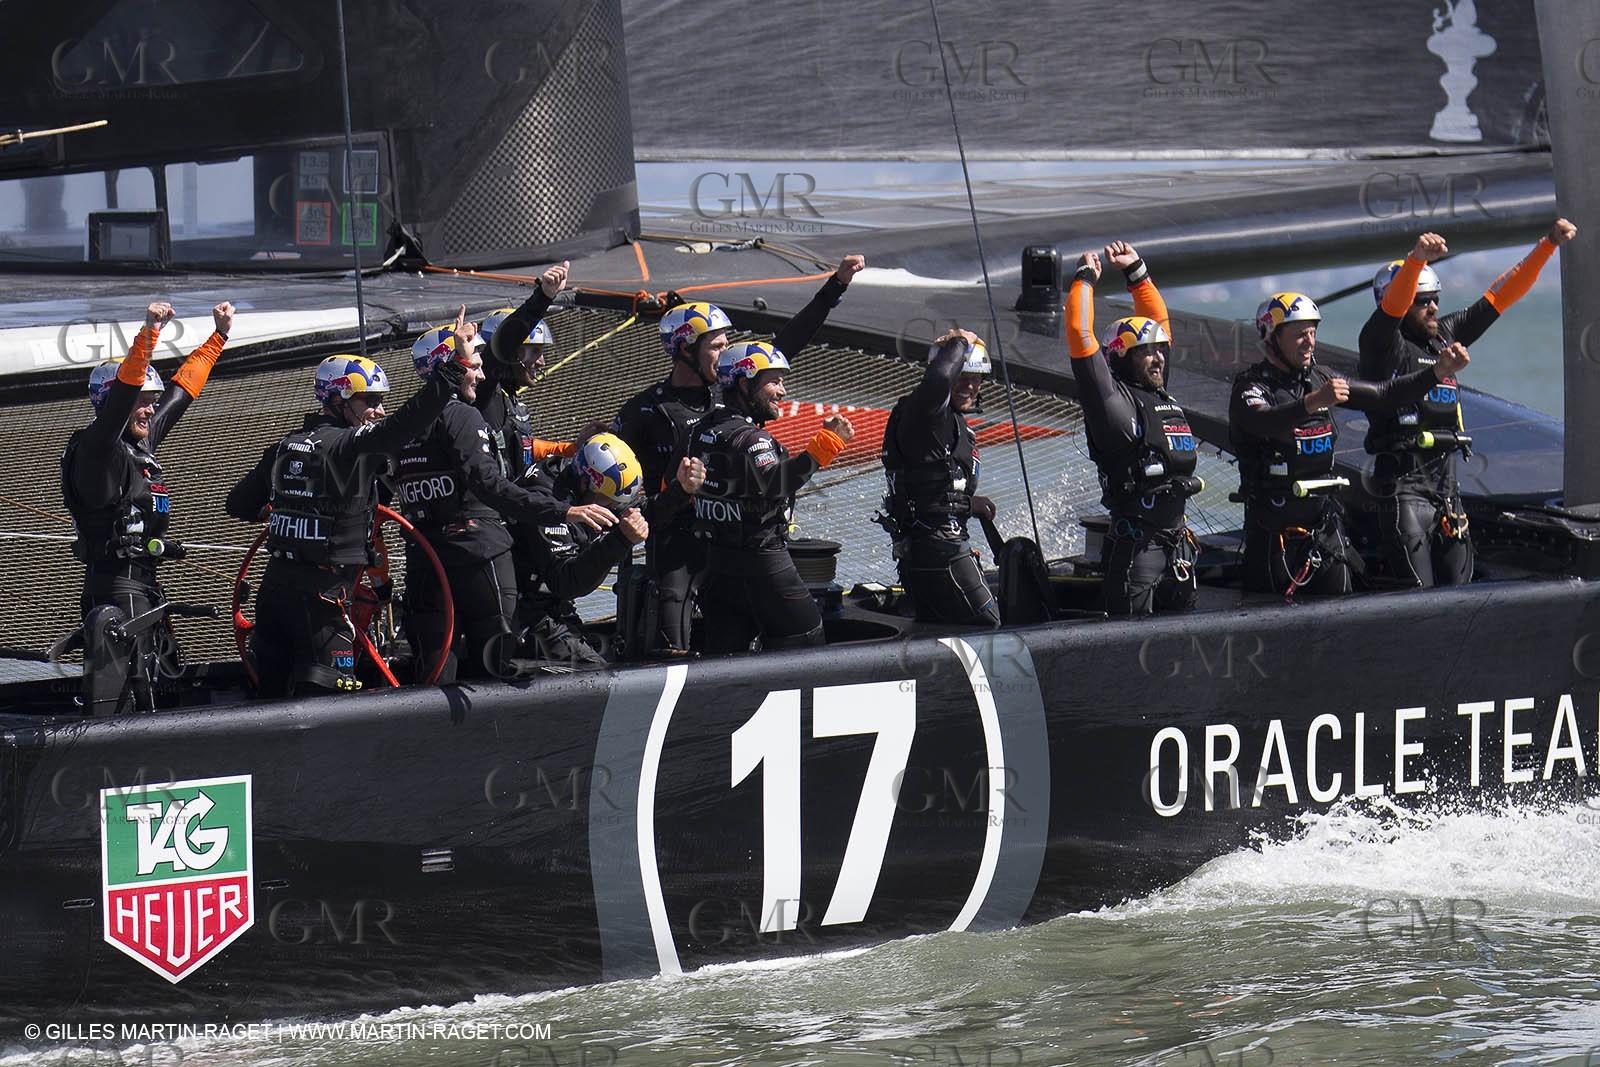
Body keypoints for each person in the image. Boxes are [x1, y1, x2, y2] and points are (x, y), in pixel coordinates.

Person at [611, 254, 866, 653]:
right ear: (684, 349)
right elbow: (615, 479)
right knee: (673, 634)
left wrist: (837, 285)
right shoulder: (645, 410)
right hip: (677, 542)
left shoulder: (731, 390)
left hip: (728, 544)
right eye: (716, 346)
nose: (725, 353)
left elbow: (787, 344)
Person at [227, 351, 466, 696]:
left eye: (381, 402)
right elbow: (404, 426)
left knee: (270, 698)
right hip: (323, 597)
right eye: (370, 401)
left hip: (273, 591)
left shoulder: (284, 445)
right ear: (338, 399)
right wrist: (453, 369)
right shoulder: (349, 446)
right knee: (333, 706)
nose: (379, 411)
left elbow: (238, 504)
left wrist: (280, 512)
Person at [394, 312, 616, 681]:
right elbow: (490, 484)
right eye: (530, 350)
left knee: (431, 677)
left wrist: (565, 449)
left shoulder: (404, 423)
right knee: (494, 672)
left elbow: (515, 451)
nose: (481, 374)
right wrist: (563, 511)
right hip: (483, 553)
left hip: (426, 559)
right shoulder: (468, 409)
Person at [1358, 220, 1577, 587]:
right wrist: (1415, 262)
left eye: (1435, 299)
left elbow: (1499, 297)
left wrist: (1548, 245)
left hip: (1446, 496)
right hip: (1404, 494)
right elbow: (1392, 310)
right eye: (1422, 301)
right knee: (1420, 596)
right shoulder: (1380, 343)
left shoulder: (1443, 336)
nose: (1432, 308)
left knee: (1461, 597)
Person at [1230, 292, 1470, 599]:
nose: (1310, 342)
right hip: (1274, 536)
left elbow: (1385, 394)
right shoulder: (1251, 387)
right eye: (1299, 334)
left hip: (1324, 532)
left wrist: (1436, 373)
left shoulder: (1322, 378)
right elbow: (1264, 422)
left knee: (1341, 611)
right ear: (1271, 336)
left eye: (1313, 333)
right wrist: (1312, 403)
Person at [61, 299, 233, 713]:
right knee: (130, 706)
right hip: (117, 593)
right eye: (142, 401)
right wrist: (150, 333)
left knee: (167, 692)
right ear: (112, 403)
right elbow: (122, 397)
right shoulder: (97, 448)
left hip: (146, 590)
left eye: (151, 401)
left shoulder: (140, 442)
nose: (150, 409)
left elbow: (182, 392)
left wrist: (219, 337)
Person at [685, 342, 854, 652]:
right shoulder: (753, 438)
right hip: (764, 565)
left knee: (725, 655)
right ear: (745, 383)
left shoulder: (700, 429)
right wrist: (828, 443)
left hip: (718, 567)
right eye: (774, 381)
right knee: (808, 640)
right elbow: (776, 483)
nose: (783, 390)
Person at [1066, 245, 1201, 616]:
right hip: (1136, 550)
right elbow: (1079, 333)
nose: (1158, 357)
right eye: (1145, 351)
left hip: (1179, 548)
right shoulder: (1111, 400)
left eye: (1160, 350)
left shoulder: (1160, 392)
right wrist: (1085, 280)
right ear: (1120, 357)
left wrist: (1137, 274)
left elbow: (1160, 325)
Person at [877, 326, 1000, 626]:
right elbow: (938, 379)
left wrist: (971, 505)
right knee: (993, 626)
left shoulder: (949, 421)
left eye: (976, 379)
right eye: (963, 376)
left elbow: (933, 492)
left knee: (940, 628)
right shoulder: (924, 412)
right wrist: (961, 341)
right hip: (943, 552)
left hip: (921, 553)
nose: (970, 386)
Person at [516, 432, 650, 667]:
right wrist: (620, 540)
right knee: (596, 677)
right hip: (525, 615)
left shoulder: (586, 486)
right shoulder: (547, 500)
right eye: (607, 502)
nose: (612, 510)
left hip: (554, 609)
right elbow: (566, 582)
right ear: (585, 481)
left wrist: (680, 492)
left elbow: (638, 510)